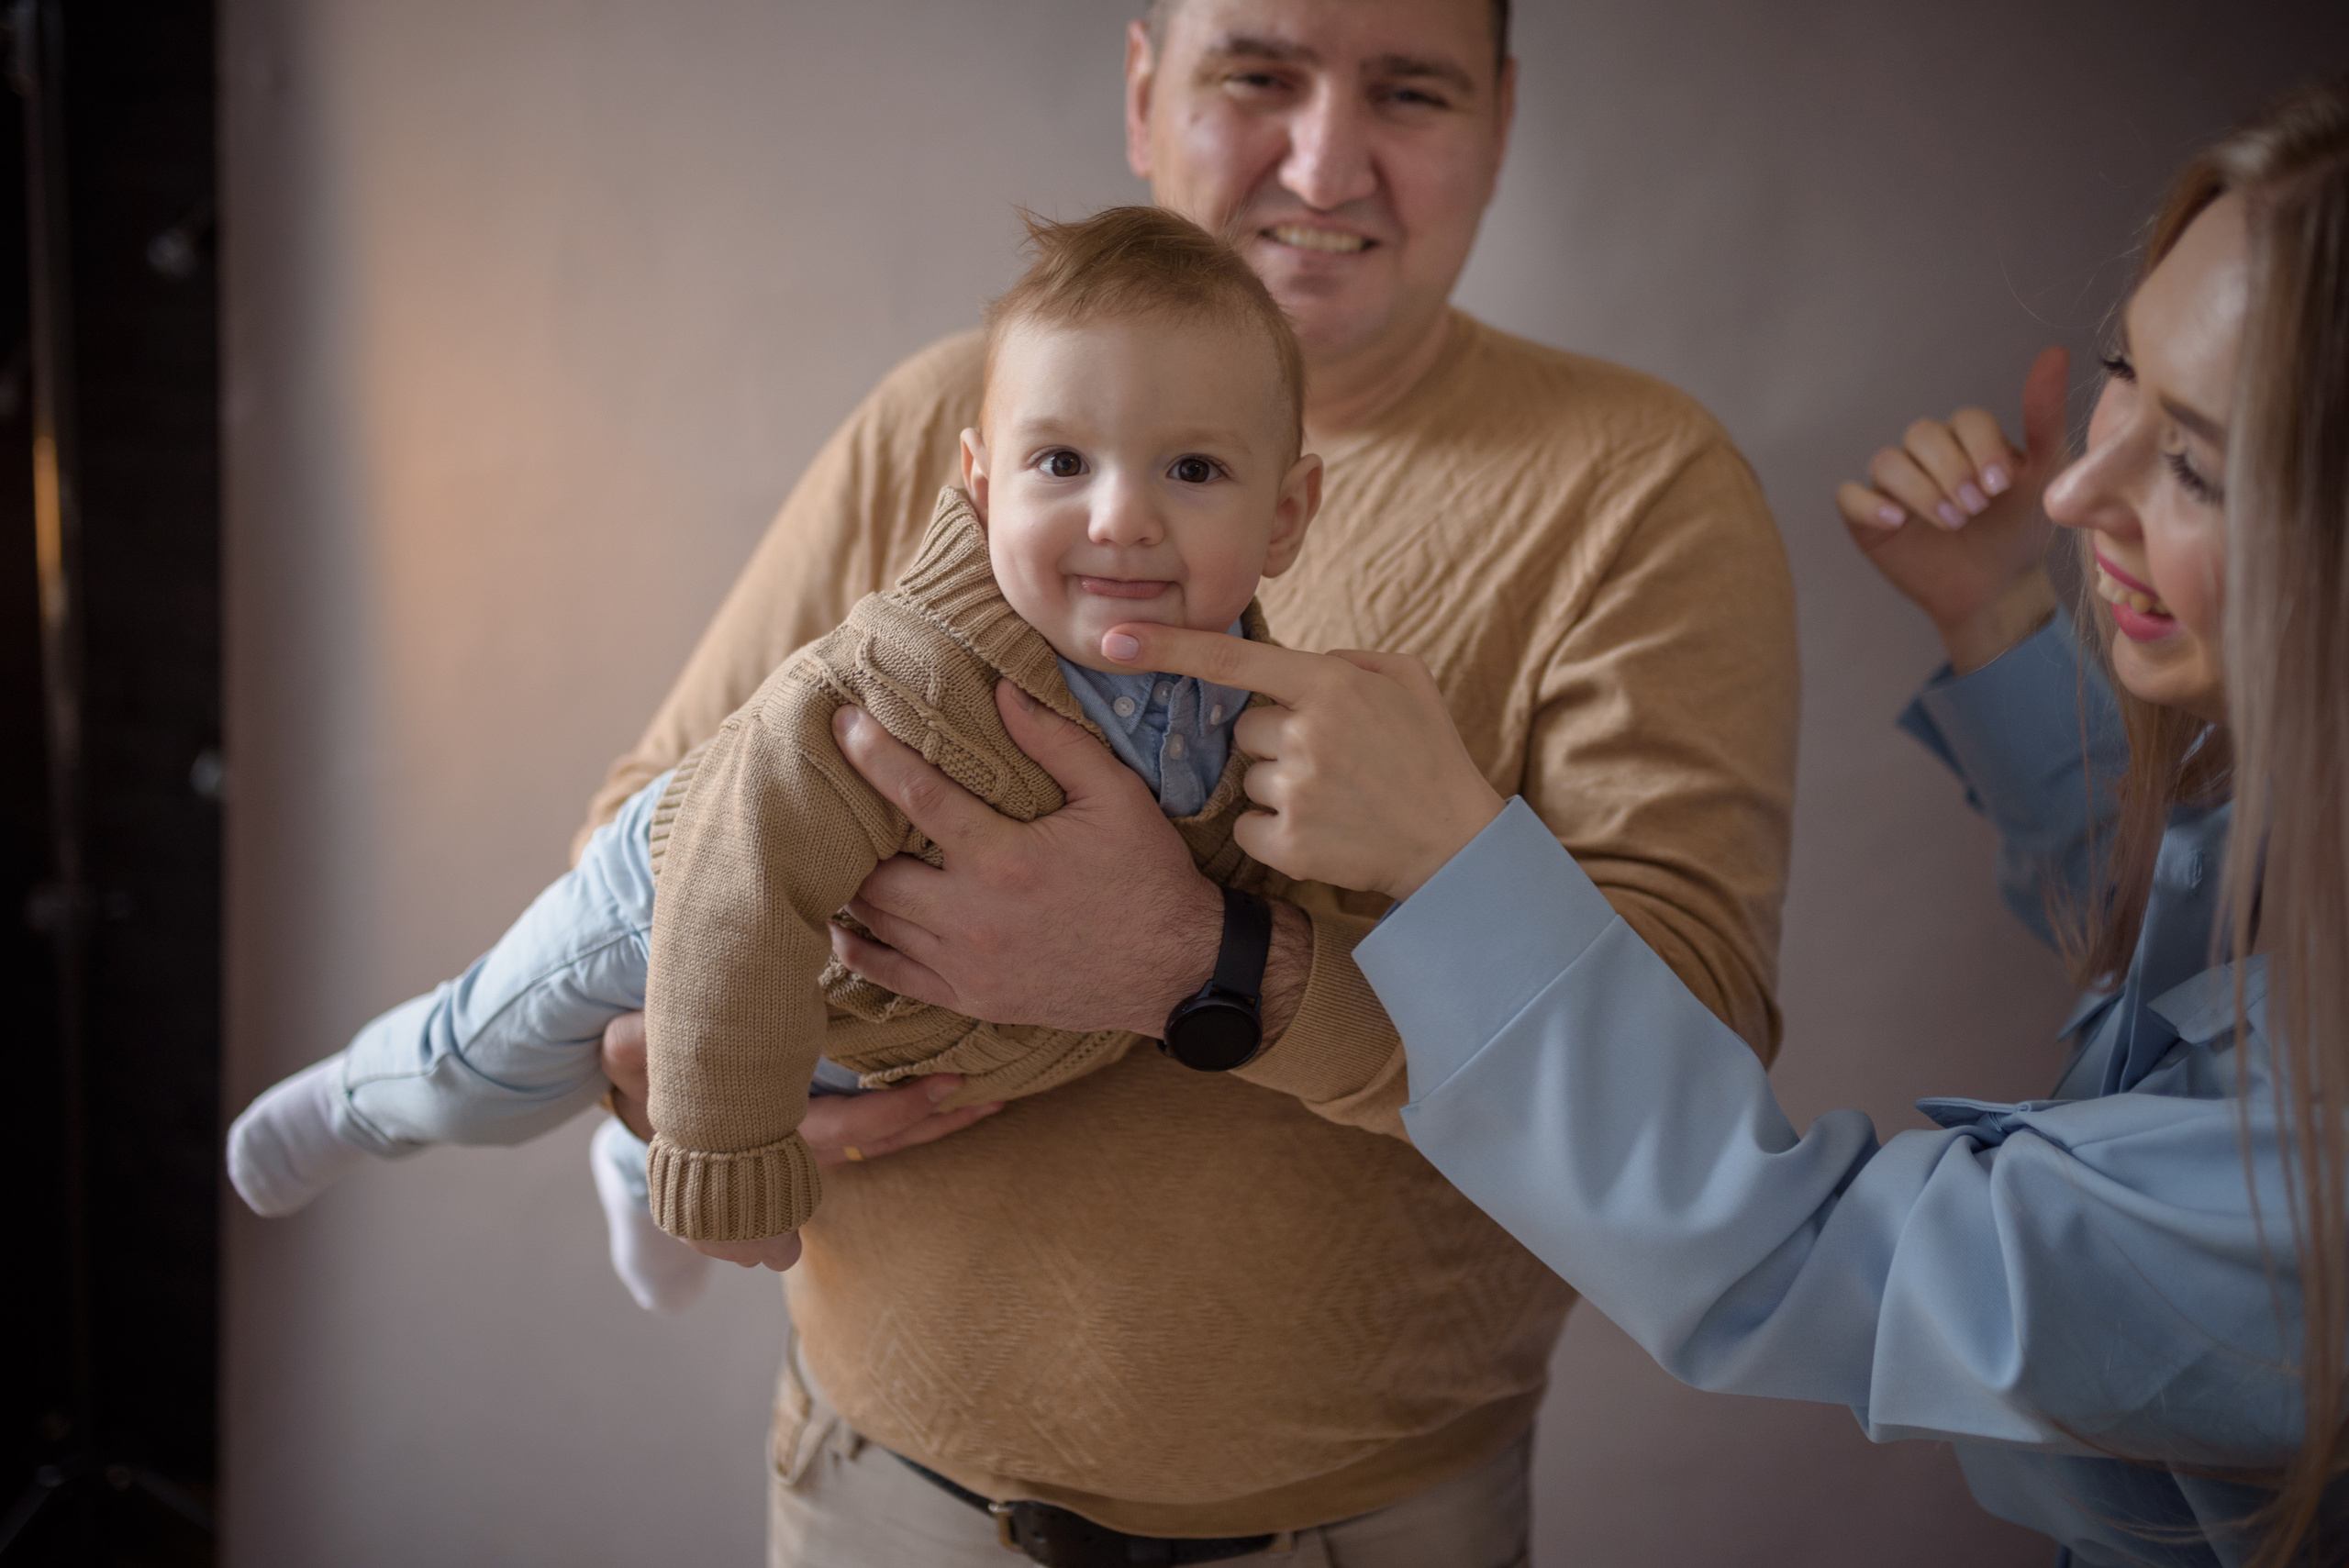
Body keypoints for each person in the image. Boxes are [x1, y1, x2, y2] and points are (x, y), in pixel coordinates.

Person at [587, 0, 1798, 1560]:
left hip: (1364, 1528)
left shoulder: (1639, 487)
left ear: (1498, 119)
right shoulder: (952, 417)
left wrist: (1208, 960)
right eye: (1259, 76)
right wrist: (669, 1068)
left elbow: (1690, 1073)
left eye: (1410, 90)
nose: (1326, 157)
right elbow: (641, 833)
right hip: (878, 1493)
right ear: (1147, 95)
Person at [1106, 79, 2349, 1566]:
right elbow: (2207, 959)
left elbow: (1789, 1252)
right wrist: (2004, 621)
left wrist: (1450, 864)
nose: (2084, 485)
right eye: (2123, 370)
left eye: (2199, 463)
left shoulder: (1642, 481)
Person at [222, 207, 1330, 1308]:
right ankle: (359, 1097)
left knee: (790, 1040)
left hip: (858, 997)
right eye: (1061, 461)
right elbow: (735, 890)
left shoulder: (1251, 713)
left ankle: (619, 1157)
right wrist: (720, 1152)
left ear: (1284, 516)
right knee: (488, 1077)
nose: (1122, 517)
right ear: (984, 486)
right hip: (681, 880)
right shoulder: (906, 683)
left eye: (1190, 469)